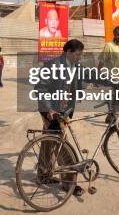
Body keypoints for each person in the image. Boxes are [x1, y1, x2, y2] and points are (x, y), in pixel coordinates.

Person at [36, 39, 85, 195]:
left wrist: (79, 92)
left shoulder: (76, 65)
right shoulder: (52, 65)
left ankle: (43, 174)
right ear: (68, 52)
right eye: (78, 54)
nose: (80, 57)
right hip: (51, 111)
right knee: (63, 145)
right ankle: (69, 183)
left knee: (48, 142)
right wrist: (49, 109)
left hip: (65, 110)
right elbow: (40, 87)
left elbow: (78, 81)